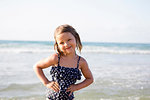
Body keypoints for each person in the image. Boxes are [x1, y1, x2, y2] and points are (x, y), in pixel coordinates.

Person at [33, 24, 93, 100]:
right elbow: (37, 66)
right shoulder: (56, 58)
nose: (66, 44)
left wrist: (76, 87)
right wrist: (46, 82)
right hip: (51, 98)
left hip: (69, 98)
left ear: (76, 38)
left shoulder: (81, 62)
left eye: (69, 40)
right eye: (61, 43)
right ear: (57, 45)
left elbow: (90, 79)